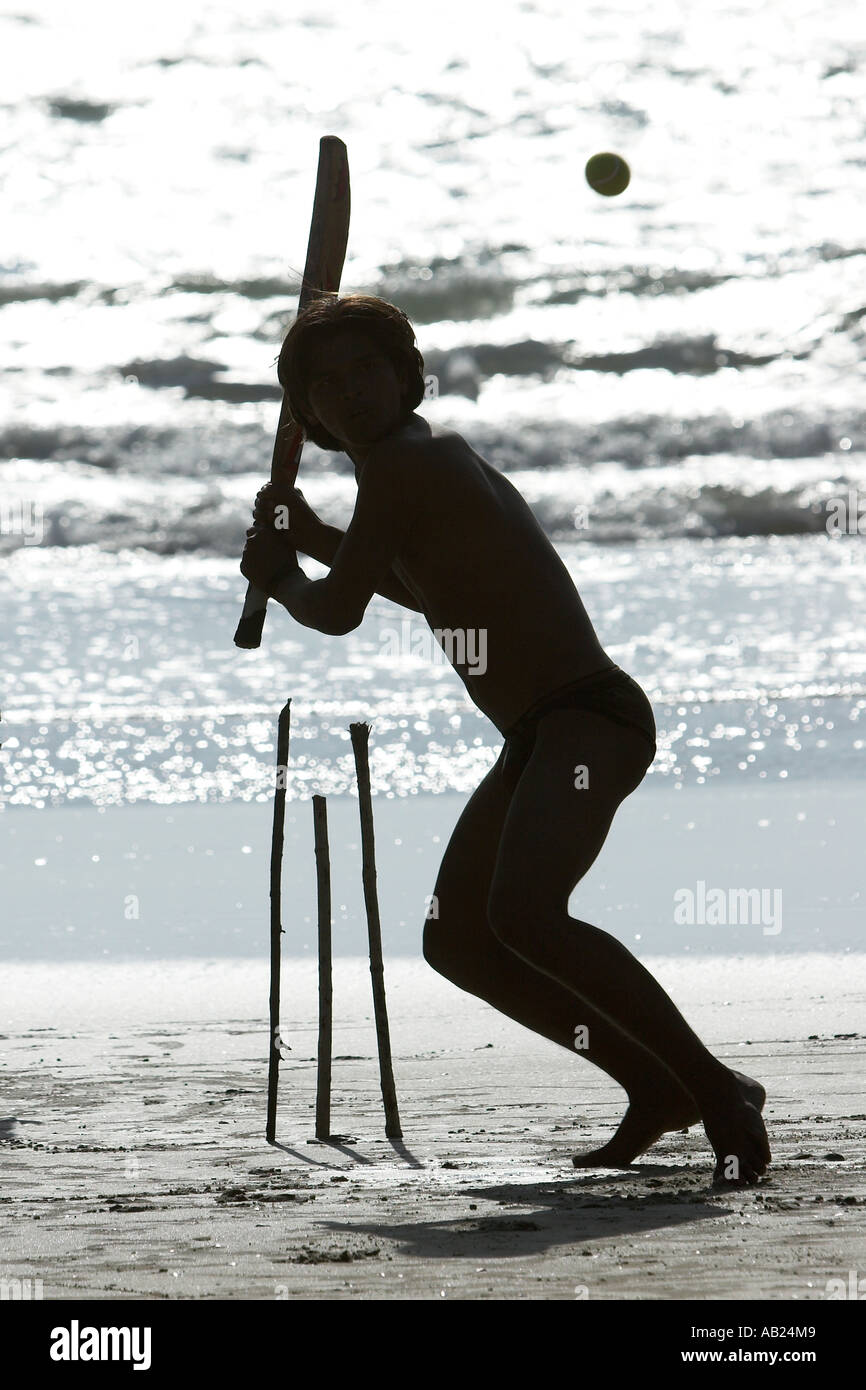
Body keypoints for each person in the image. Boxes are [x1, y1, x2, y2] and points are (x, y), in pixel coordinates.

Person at [240, 293, 770, 1185]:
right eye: (324, 386)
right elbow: (431, 591)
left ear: (407, 375)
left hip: (586, 715)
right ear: (308, 416)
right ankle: (655, 1083)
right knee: (460, 940)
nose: (351, 393)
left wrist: (286, 574)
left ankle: (717, 1090)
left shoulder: (412, 459)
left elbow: (335, 615)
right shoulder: (405, 473)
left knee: (524, 915)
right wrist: (316, 539)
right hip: (540, 730)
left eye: (366, 370)